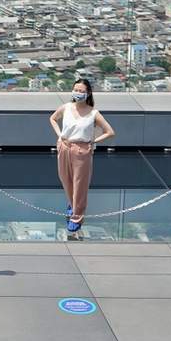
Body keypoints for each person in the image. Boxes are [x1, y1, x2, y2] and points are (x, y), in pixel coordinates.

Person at [50, 78, 116, 237]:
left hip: (82, 149)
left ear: (88, 93)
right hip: (65, 146)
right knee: (65, 179)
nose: (78, 93)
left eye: (81, 91)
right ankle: (72, 205)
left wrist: (93, 141)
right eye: (76, 90)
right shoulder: (66, 107)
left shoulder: (93, 113)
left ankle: (77, 217)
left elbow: (110, 132)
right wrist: (59, 136)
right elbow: (52, 118)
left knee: (80, 183)